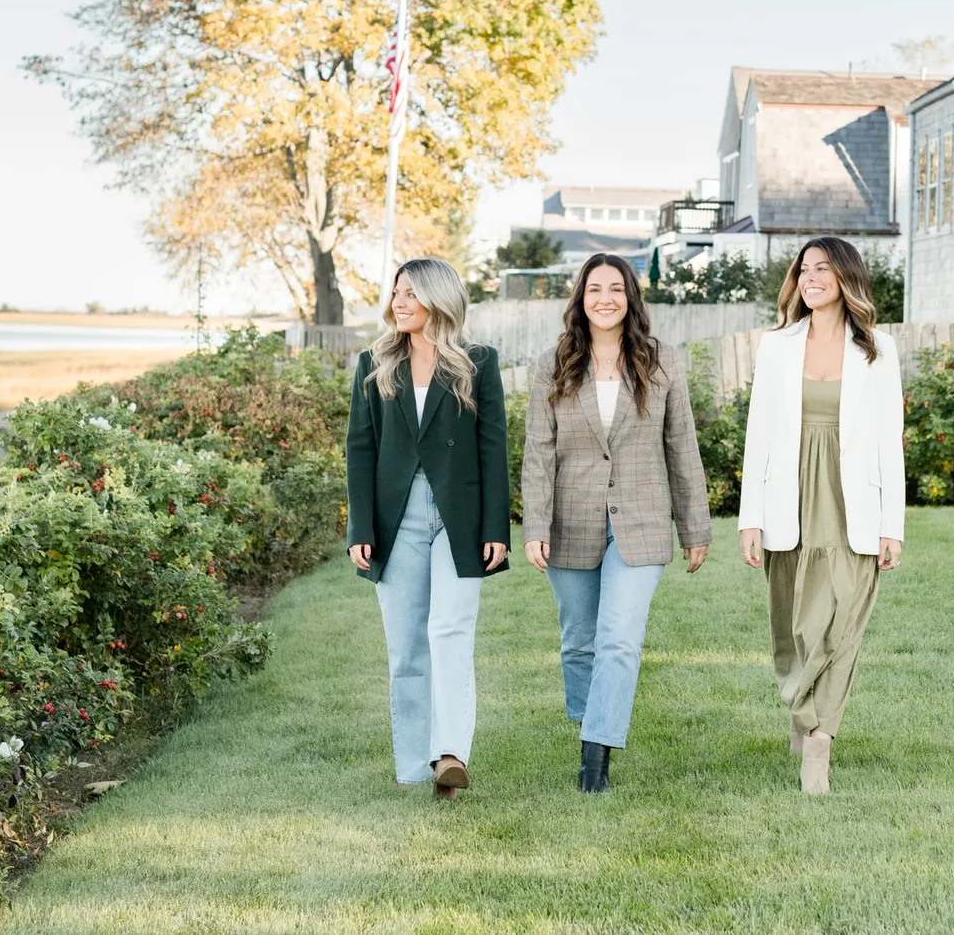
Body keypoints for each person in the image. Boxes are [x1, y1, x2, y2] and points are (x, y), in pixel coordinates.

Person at [522, 253, 711, 792]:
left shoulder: (660, 360)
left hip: (642, 522)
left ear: (631, 297)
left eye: (616, 289)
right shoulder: (553, 363)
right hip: (570, 521)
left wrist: (694, 528)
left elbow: (682, 447)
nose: (605, 298)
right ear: (580, 298)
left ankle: (594, 760)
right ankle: (592, 720)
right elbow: (538, 452)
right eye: (594, 289)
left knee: (619, 639)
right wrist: (535, 524)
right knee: (579, 641)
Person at [738, 236, 904, 793]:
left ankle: (819, 742)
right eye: (803, 269)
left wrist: (891, 525)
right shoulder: (777, 346)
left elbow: (890, 442)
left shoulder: (878, 348)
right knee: (795, 626)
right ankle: (802, 705)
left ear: (845, 279)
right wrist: (750, 518)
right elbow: (757, 436)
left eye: (822, 269)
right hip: (790, 499)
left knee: (841, 624)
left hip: (853, 503)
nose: (810, 278)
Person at [345, 257, 510, 800]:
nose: (400, 301)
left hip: (459, 517)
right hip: (397, 519)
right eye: (396, 292)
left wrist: (496, 527)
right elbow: (360, 449)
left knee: (451, 630)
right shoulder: (375, 363)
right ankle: (414, 765)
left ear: (439, 298)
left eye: (411, 293)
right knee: (407, 648)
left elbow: (493, 449)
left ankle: (450, 755)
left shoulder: (478, 363)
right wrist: (360, 527)